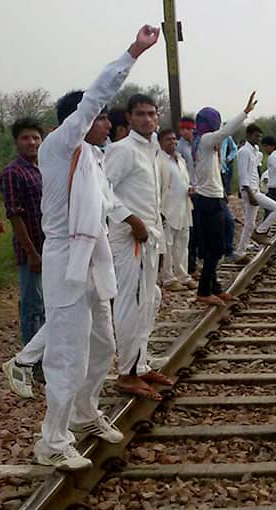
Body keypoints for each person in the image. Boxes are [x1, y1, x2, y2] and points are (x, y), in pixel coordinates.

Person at [32, 25, 161, 470]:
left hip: (94, 258)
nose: (109, 123)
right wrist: (134, 52)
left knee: (103, 344)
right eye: (103, 118)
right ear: (82, 122)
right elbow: (93, 97)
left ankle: (85, 415)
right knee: (68, 352)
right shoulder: (60, 146)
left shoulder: (94, 159)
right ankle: (52, 439)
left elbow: (109, 202)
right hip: (66, 258)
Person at [104, 93, 168, 401]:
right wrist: (132, 221)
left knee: (149, 300)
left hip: (149, 238)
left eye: (152, 114)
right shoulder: (122, 150)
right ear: (128, 119)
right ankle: (126, 374)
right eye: (140, 114)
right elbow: (103, 192)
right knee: (132, 302)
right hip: (130, 238)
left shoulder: (151, 149)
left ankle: (139, 364)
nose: (147, 119)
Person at [192, 95, 257, 308]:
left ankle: (215, 288)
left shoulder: (205, 144)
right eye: (215, 121)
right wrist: (245, 112)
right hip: (208, 200)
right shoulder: (205, 140)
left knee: (216, 244)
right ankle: (204, 291)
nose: (217, 126)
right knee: (216, 248)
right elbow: (226, 132)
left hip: (214, 198)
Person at [0, 118, 46, 350]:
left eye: (36, 137)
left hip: (51, 247)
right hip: (31, 250)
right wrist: (31, 253)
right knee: (32, 306)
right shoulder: (12, 172)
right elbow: (14, 215)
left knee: (48, 304)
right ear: (16, 142)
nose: (32, 142)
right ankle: (30, 357)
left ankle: (46, 353)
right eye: (25, 138)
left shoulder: (44, 168)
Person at [234, 124, 276, 263]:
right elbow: (243, 174)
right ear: (248, 135)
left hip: (255, 189)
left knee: (249, 223)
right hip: (250, 191)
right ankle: (260, 232)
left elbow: (255, 171)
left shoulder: (255, 150)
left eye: (260, 136)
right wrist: (249, 193)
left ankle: (240, 253)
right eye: (256, 136)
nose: (258, 139)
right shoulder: (244, 152)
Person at [157, 129, 196, 292]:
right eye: (168, 140)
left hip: (183, 207)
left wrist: (189, 189)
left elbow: (183, 181)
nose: (172, 142)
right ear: (160, 142)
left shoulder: (180, 160)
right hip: (167, 209)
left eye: (174, 139)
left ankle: (182, 275)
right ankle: (168, 278)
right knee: (168, 245)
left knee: (183, 244)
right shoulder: (159, 161)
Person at [177, 115, 200, 276]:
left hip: (199, 189)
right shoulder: (179, 147)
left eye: (189, 129)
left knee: (197, 230)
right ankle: (189, 265)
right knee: (190, 231)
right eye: (183, 129)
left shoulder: (196, 145)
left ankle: (193, 262)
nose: (186, 132)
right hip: (188, 191)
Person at [220, 134, 238, 258]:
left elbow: (234, 149)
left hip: (221, 173)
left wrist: (229, 158)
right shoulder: (203, 140)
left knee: (227, 220)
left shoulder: (226, 136)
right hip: (208, 184)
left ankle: (227, 249)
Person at [261, 135, 276, 204]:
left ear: (273, 146)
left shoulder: (273, 157)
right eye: (264, 146)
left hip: (275, 188)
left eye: (266, 146)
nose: (264, 149)